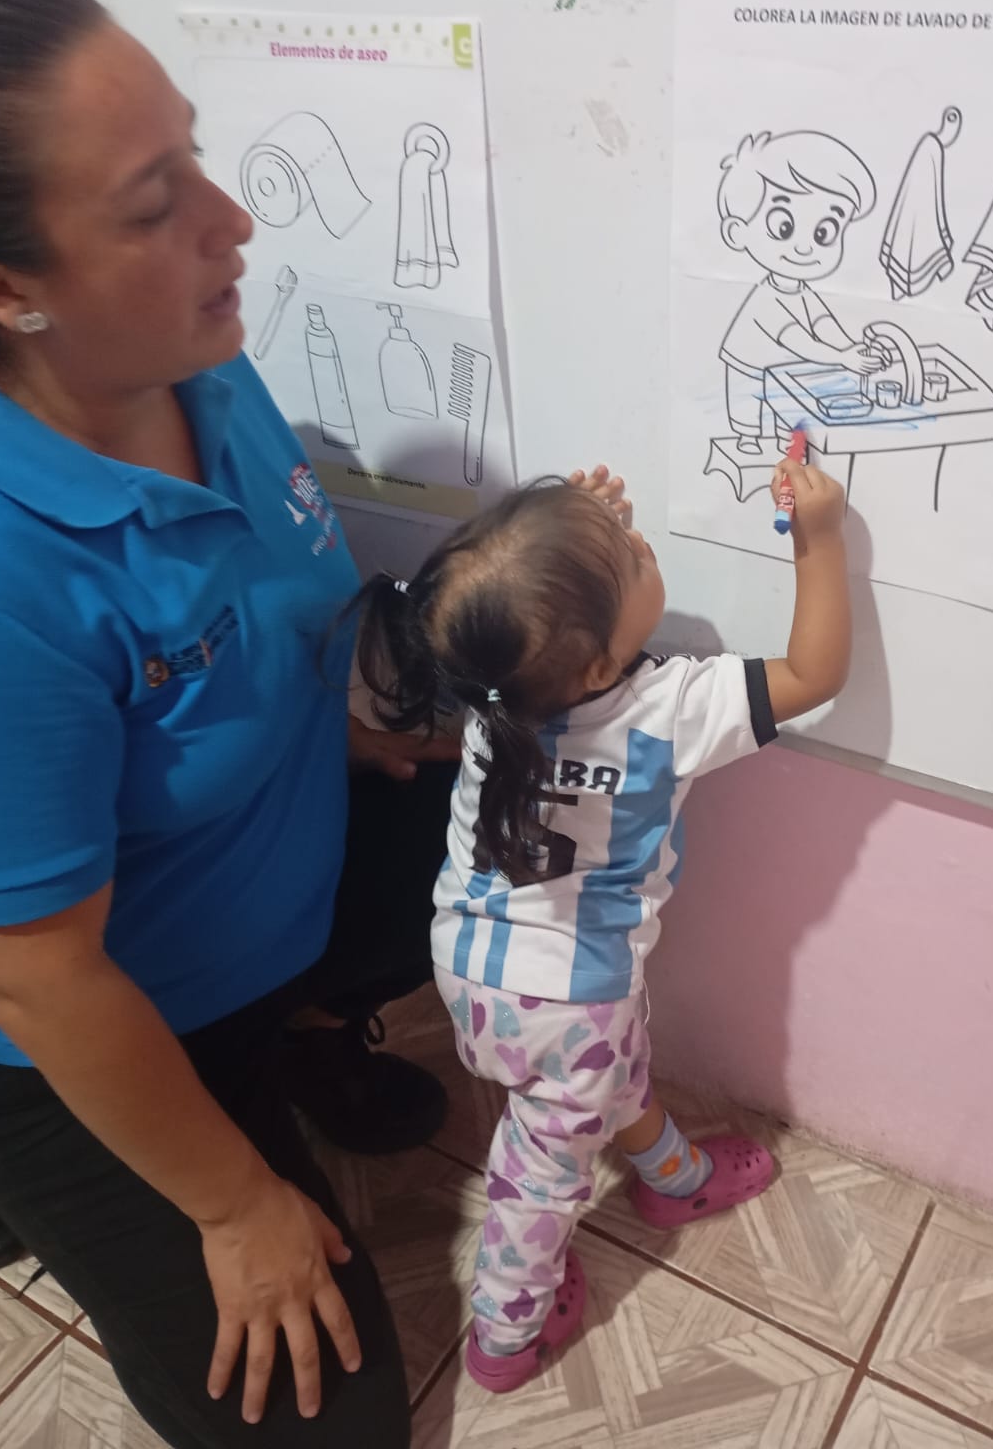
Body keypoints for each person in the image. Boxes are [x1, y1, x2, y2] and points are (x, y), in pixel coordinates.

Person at [0, 0, 457, 1448]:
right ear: (5, 288)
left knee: (498, 787)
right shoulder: (6, 577)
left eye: (194, 153)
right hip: (72, 1031)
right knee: (333, 1423)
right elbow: (38, 977)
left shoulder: (199, 362)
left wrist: (337, 731)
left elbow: (251, 610)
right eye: (153, 204)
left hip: (239, 905)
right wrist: (234, 1203)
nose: (232, 219)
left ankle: (297, 1031)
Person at [352, 454, 852, 1392]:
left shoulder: (496, 687)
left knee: (606, 1074)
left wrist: (574, 542)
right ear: (593, 660)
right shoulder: (669, 709)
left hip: (468, 965)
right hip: (571, 998)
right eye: (626, 555)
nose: (638, 541)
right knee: (538, 1176)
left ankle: (674, 1175)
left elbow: (522, 610)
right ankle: (507, 1334)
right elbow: (814, 672)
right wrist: (819, 538)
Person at [718, 129, 883, 454]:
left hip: (782, 367)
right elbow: (796, 338)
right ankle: (748, 437)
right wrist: (842, 358)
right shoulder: (766, 300)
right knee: (749, 410)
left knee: (786, 402)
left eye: (824, 232)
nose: (806, 247)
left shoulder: (804, 292)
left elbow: (822, 323)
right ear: (738, 232)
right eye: (785, 227)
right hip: (748, 363)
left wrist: (851, 346)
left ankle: (784, 438)